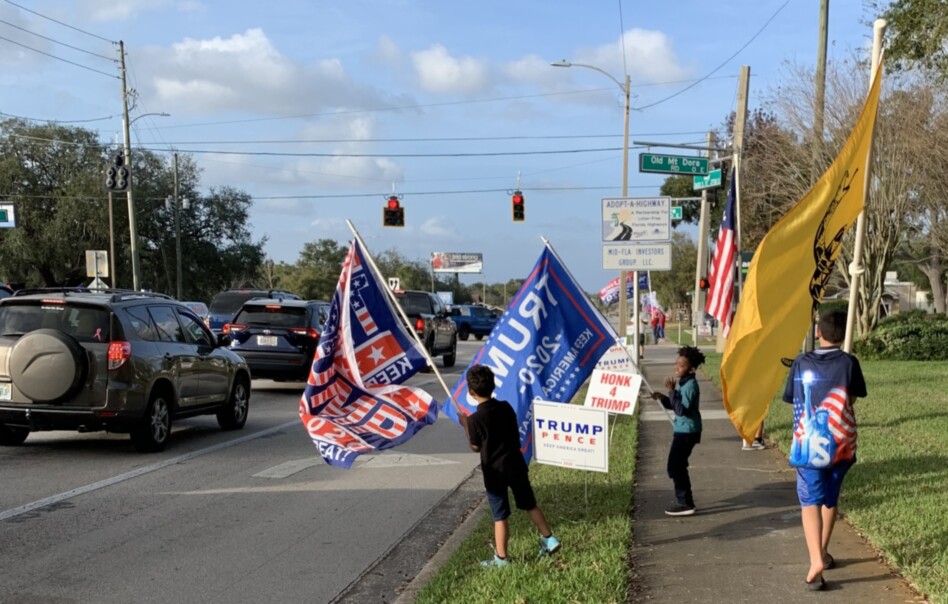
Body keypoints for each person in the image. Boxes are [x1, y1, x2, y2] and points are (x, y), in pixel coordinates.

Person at [782, 310, 867, 591]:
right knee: (830, 500)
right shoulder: (849, 363)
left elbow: (792, 398)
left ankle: (815, 560)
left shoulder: (801, 362)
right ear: (843, 335)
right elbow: (852, 398)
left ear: (819, 332)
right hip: (841, 444)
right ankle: (825, 552)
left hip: (807, 446)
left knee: (810, 503)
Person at [456, 364, 560, 568]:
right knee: (529, 503)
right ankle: (549, 538)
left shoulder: (476, 420)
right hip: (516, 465)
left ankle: (502, 559)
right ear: (493, 386)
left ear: (471, 392)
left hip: (495, 473)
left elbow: (475, 446)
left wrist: (466, 425)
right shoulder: (506, 407)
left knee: (500, 515)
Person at [650, 345, 705, 516]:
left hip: (687, 432)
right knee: (677, 466)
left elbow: (682, 410)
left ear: (692, 369)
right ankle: (685, 502)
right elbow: (676, 405)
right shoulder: (683, 382)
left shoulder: (690, 386)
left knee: (675, 467)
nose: (677, 368)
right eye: (676, 364)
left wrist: (671, 392)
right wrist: (664, 398)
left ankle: (685, 503)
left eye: (681, 365)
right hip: (682, 430)